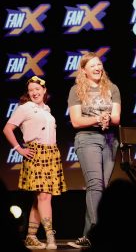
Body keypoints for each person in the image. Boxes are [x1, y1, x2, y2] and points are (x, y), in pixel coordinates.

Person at [3, 76, 67, 250]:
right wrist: (19, 148)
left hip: (51, 153)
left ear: (44, 90)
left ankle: (31, 236)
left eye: (37, 89)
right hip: (35, 153)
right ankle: (50, 236)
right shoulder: (25, 108)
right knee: (44, 196)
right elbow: (7, 128)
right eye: (31, 90)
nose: (34, 93)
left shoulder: (47, 109)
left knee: (40, 198)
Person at [67, 52, 121, 249]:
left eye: (99, 64)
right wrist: (98, 118)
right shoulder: (76, 91)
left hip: (109, 140)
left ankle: (89, 235)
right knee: (95, 185)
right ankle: (95, 235)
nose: (98, 68)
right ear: (84, 70)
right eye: (92, 66)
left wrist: (108, 118)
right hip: (87, 139)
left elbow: (116, 117)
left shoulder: (112, 88)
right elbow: (76, 121)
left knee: (101, 187)